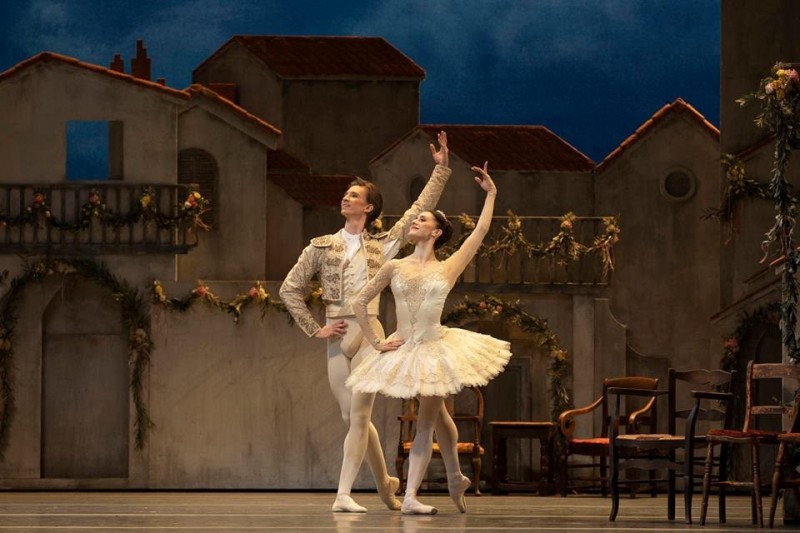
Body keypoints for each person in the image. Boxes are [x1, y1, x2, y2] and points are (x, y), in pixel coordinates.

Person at [279, 133, 453, 513]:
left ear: (369, 207)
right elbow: (289, 289)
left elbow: (417, 209)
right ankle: (386, 483)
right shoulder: (321, 245)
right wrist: (316, 327)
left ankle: (343, 494)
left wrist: (439, 170)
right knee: (349, 416)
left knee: (359, 415)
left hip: (370, 336)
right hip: (335, 335)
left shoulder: (385, 244)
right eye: (346, 194)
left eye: (354, 195)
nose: (346, 198)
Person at [346, 162, 511, 515]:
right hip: (404, 345)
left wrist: (492, 195)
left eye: (423, 220)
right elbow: (359, 302)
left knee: (427, 420)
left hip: (436, 348)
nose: (415, 222)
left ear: (436, 233)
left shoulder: (447, 268)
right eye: (415, 219)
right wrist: (376, 343)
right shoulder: (395, 267)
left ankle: (409, 497)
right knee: (438, 419)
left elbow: (479, 232)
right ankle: (454, 477)